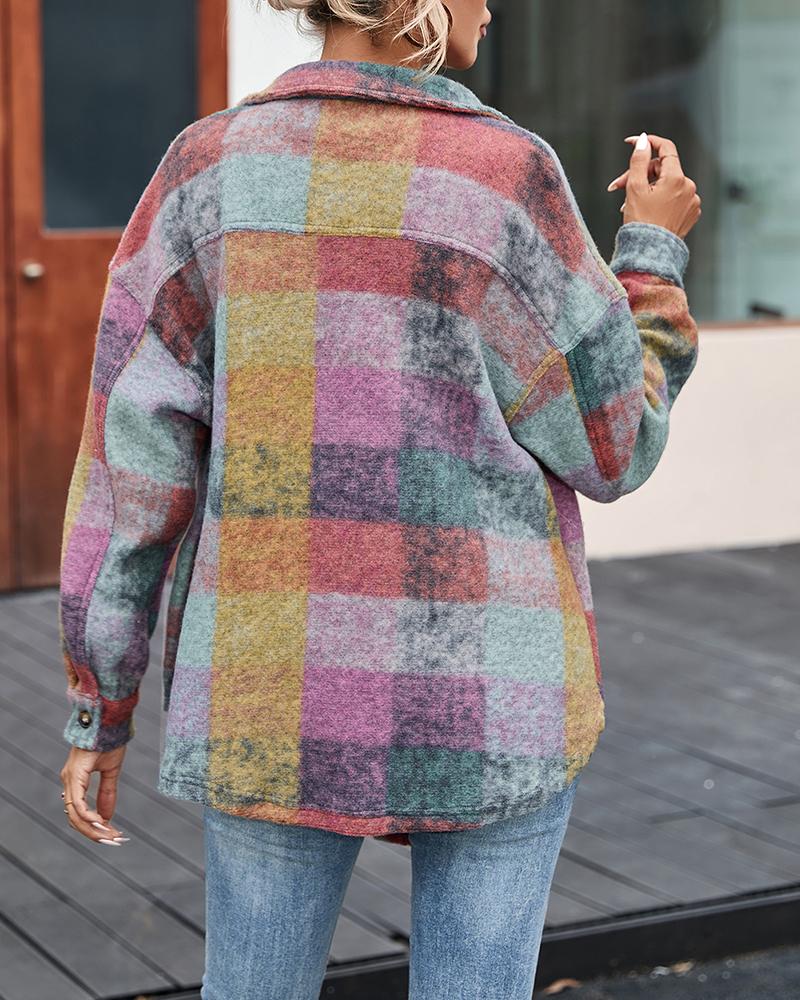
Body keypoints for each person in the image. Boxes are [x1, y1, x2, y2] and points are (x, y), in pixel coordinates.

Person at [56, 0, 702, 996]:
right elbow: (613, 444)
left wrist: (102, 703)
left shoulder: (206, 171)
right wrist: (650, 257)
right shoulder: (504, 176)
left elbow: (130, 467)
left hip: (271, 686)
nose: (492, 6)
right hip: (486, 690)